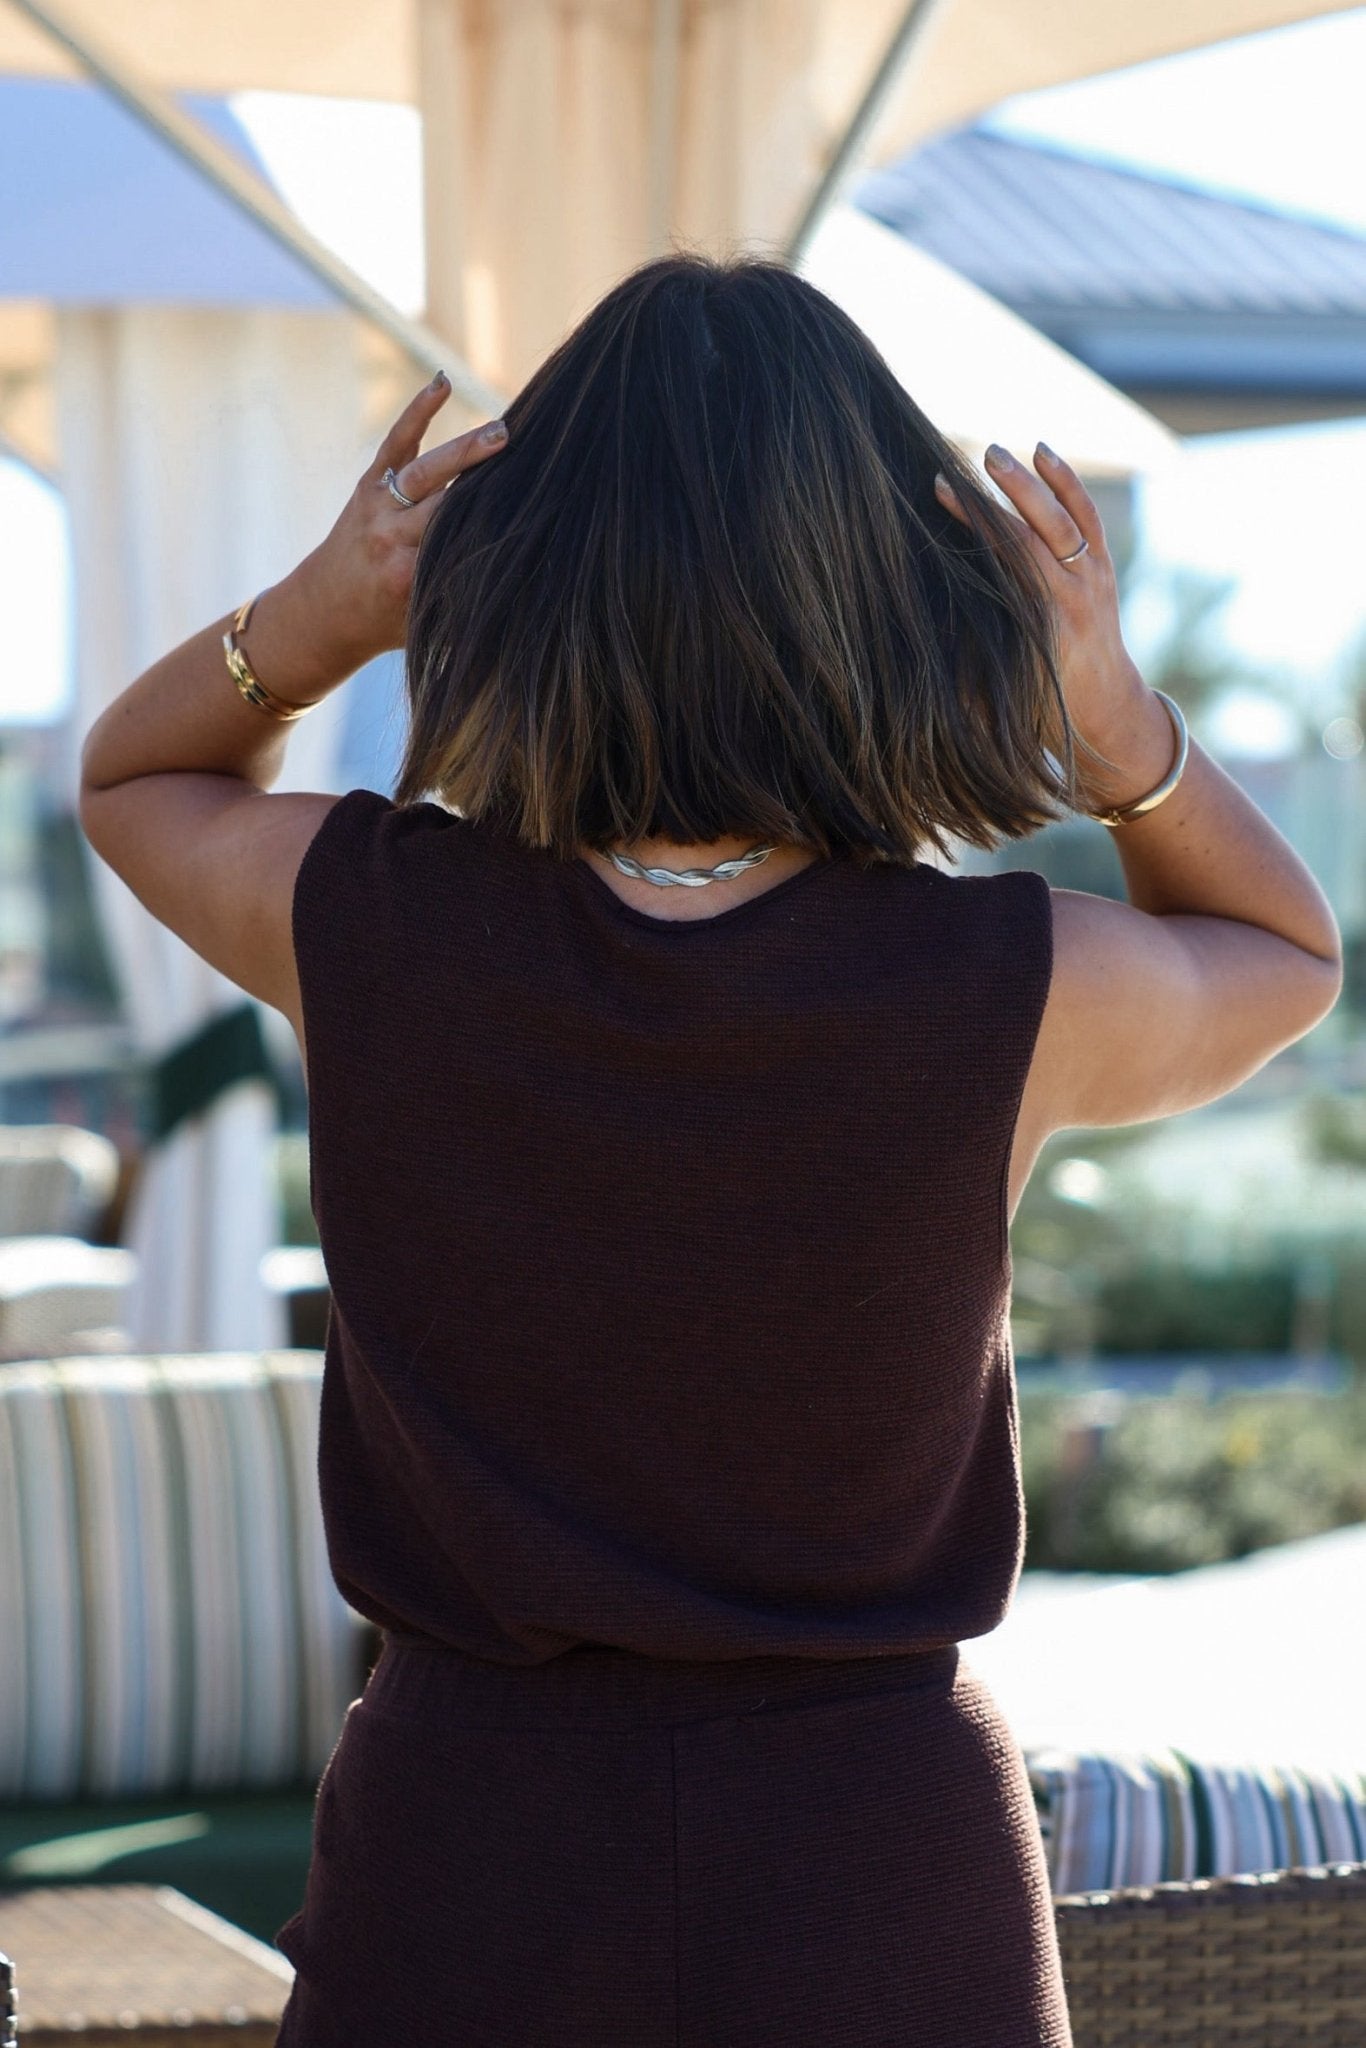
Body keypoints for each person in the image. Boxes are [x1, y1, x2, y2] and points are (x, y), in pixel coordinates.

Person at [78, 253, 1341, 2048]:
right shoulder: (1006, 981)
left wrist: (323, 612)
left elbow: (135, 783)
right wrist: (1115, 727)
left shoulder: (364, 917)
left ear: (504, 579)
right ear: (914, 600)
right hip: (875, 1859)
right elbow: (1287, 957)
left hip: (468, 1852)